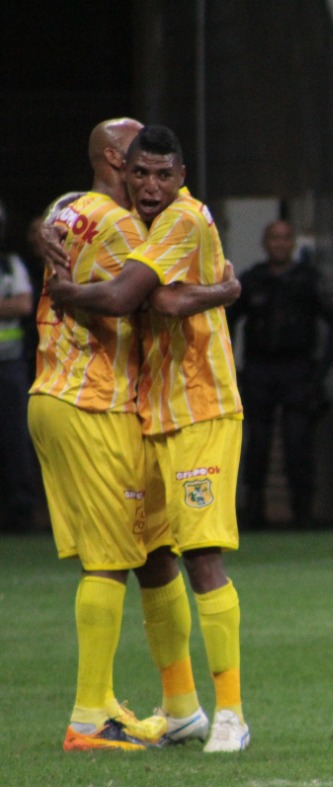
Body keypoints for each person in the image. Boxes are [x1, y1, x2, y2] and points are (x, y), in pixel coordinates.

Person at [31, 118, 238, 751]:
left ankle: (181, 708)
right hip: (96, 399)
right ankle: (90, 715)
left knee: (153, 553)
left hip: (65, 395)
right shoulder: (129, 227)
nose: (147, 180)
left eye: (160, 171)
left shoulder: (69, 212)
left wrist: (40, 240)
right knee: (114, 559)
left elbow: (49, 223)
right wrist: (229, 286)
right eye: (136, 166)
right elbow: (138, 299)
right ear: (116, 160)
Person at [229, 220, 333, 529]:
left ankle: (302, 514)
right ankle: (253, 513)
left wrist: (320, 369)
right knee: (258, 444)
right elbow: (226, 323)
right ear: (265, 243)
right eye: (273, 238)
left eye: (285, 238)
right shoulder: (252, 281)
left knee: (298, 444)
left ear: (292, 243)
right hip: (259, 370)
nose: (279, 244)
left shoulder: (308, 280)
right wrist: (230, 367)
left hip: (298, 371)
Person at [0, 197, 39, 533]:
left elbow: (25, 305)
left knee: (16, 439)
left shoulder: (11, 264)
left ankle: (21, 511)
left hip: (10, 365)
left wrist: (11, 306)